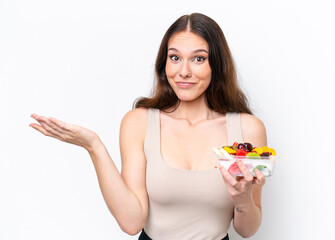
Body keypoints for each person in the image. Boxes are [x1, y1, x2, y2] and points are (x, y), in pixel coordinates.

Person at [29, 13, 267, 240]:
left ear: (217, 65)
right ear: (164, 64)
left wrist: (243, 199)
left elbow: (248, 230)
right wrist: (94, 147)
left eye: (198, 59)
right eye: (175, 58)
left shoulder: (249, 129)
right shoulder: (138, 122)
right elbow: (131, 222)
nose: (183, 71)